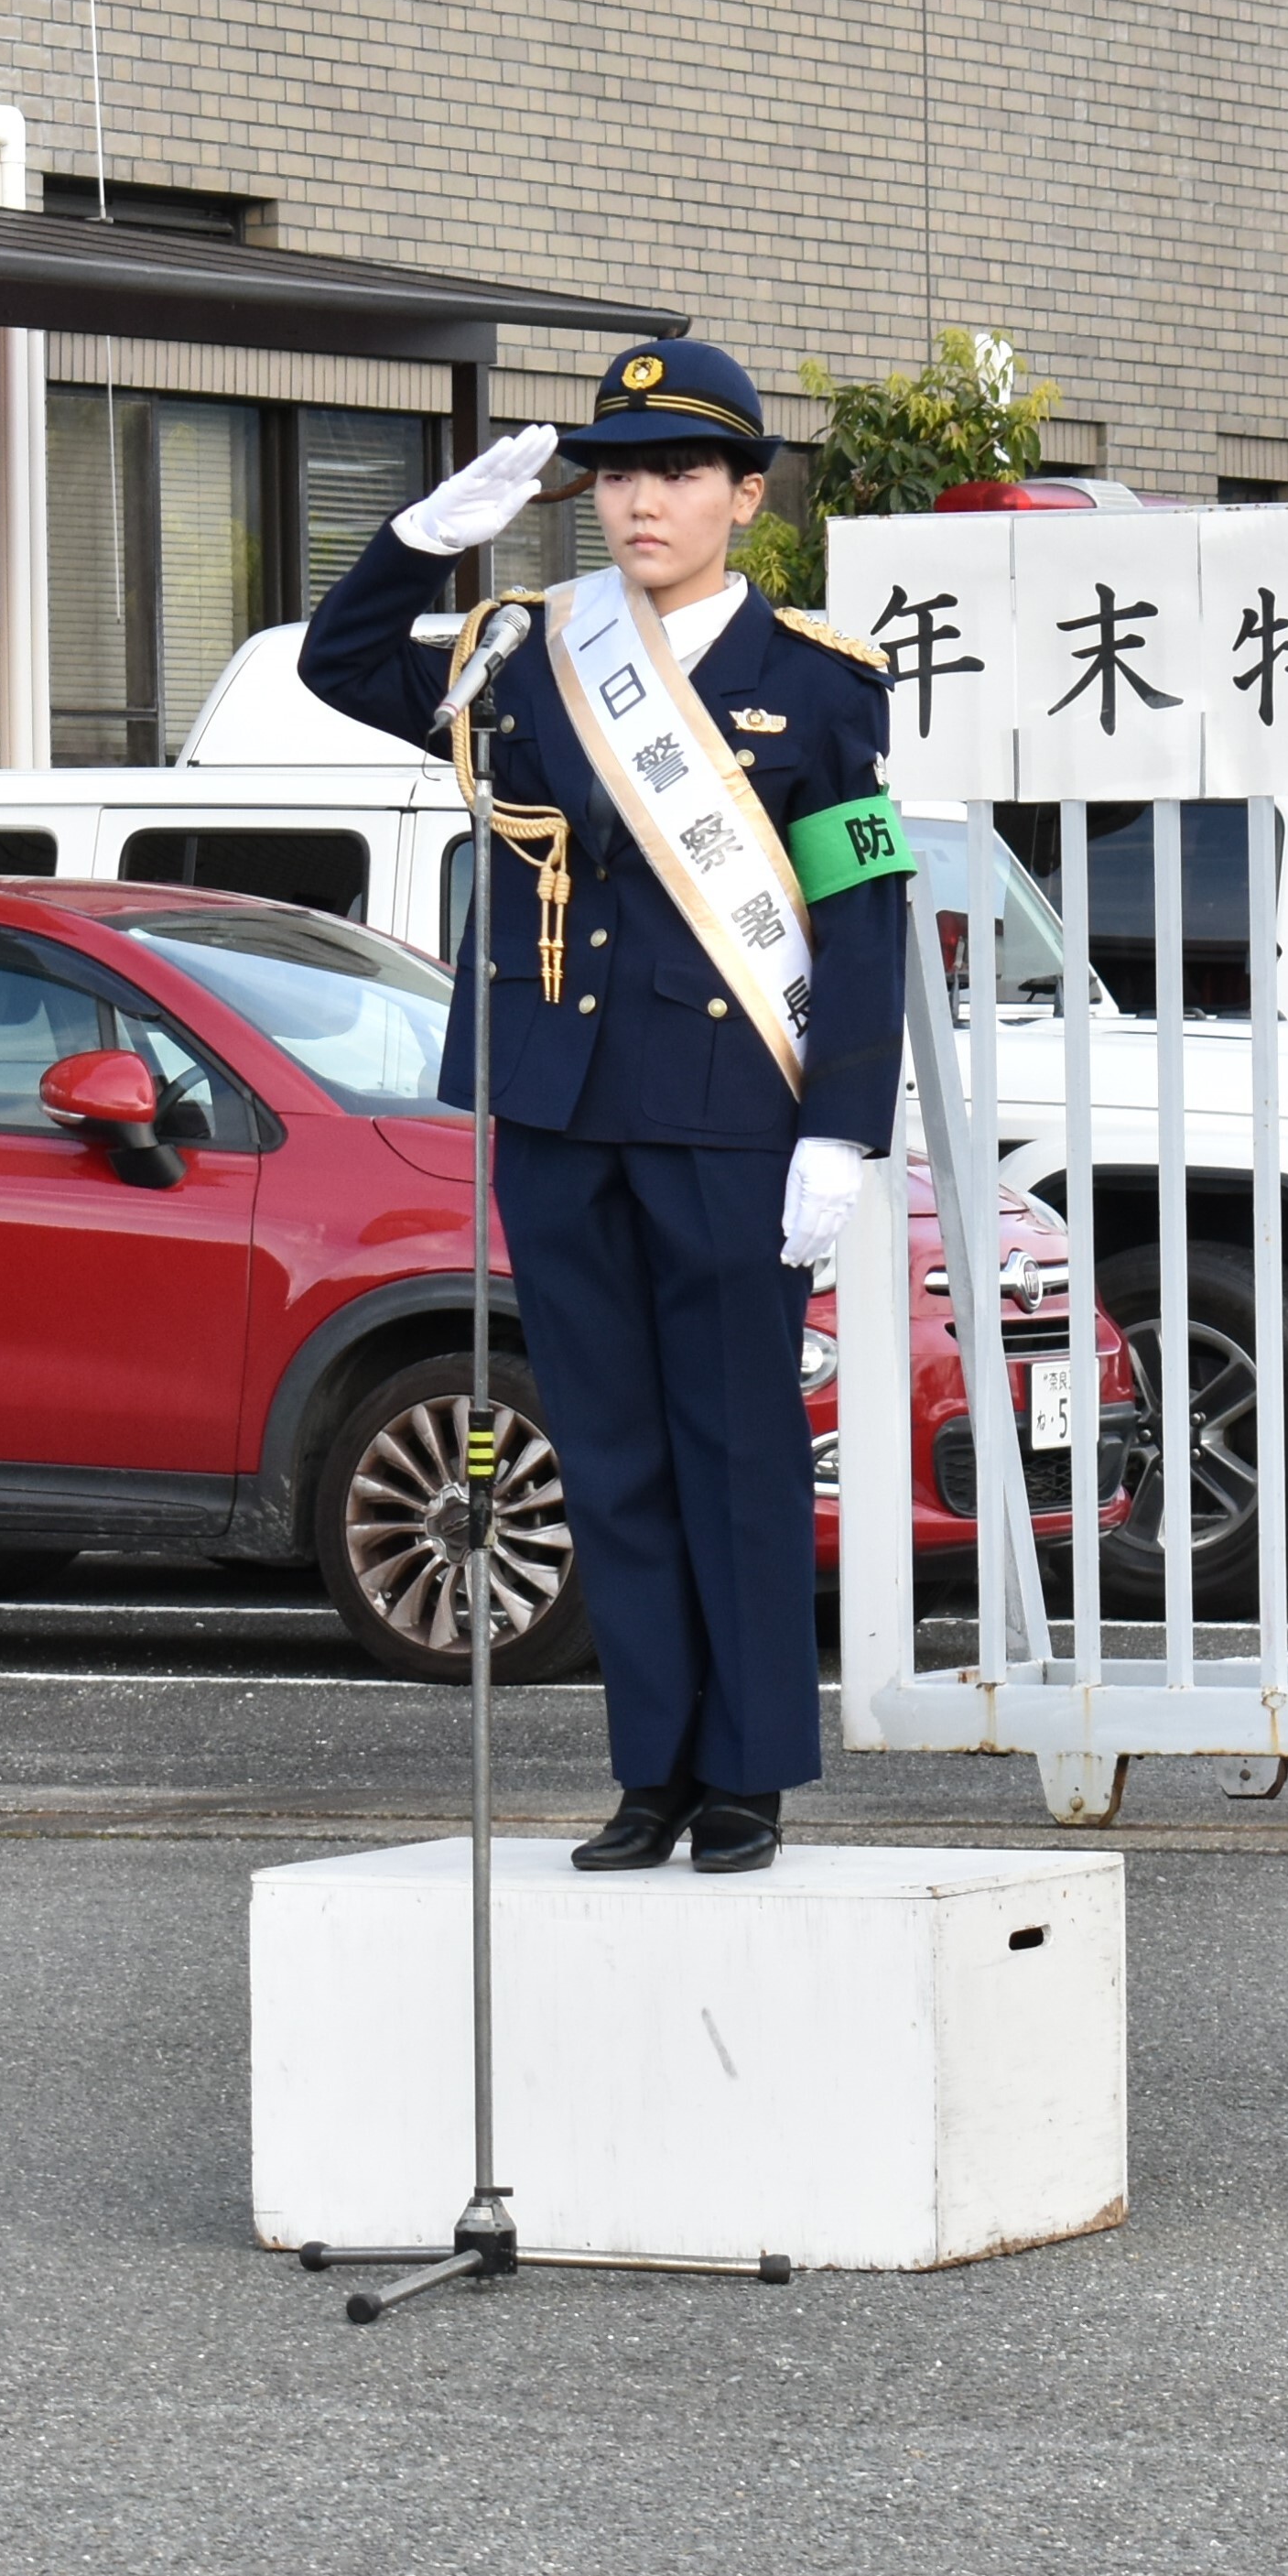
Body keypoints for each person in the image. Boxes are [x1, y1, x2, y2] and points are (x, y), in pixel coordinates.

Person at [299, 341, 912, 1875]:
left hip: (726, 1113)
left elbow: (863, 913)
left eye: (680, 473)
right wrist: (420, 541)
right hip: (561, 1106)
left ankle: (747, 1771)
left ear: (744, 498)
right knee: (610, 1449)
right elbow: (338, 665)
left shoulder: (818, 689)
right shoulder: (529, 653)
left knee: (736, 1447)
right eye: (621, 472)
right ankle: (650, 1770)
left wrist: (840, 1123)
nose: (642, 500)